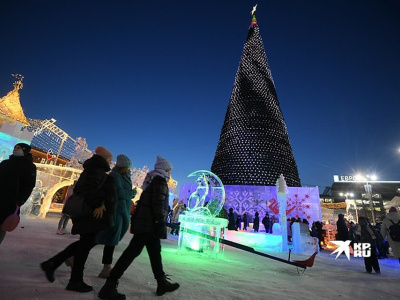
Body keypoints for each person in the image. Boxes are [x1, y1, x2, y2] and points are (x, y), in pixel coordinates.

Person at [98, 156, 179, 299]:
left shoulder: (153, 180)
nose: (170, 171)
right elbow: (158, 205)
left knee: (155, 253)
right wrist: (160, 223)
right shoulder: (160, 181)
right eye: (169, 169)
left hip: (146, 223)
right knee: (131, 253)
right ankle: (109, 286)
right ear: (165, 169)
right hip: (149, 225)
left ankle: (161, 282)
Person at [40, 146, 117, 292]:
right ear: (105, 159)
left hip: (90, 214)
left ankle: (53, 263)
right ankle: (74, 280)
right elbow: (88, 189)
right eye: (110, 159)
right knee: (85, 246)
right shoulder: (95, 169)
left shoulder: (94, 169)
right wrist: (99, 204)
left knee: (85, 244)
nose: (110, 162)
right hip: (91, 214)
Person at [96, 154, 137, 278]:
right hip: (115, 210)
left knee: (107, 239)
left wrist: (131, 193)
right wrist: (130, 193)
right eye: (127, 166)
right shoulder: (115, 175)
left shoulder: (124, 175)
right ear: (122, 166)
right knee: (109, 239)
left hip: (122, 211)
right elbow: (119, 192)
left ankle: (75, 255)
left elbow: (125, 193)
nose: (129, 169)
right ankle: (106, 268)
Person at [0, 143, 37, 244]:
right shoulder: (5, 163)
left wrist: (21, 200)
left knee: (2, 225)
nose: (15, 149)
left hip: (11, 201)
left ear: (24, 150)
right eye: (15, 147)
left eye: (18, 148)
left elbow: (29, 185)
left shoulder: (29, 166)